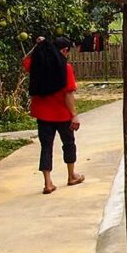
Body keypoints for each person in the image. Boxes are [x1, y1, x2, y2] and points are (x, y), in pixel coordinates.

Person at [23, 36, 83, 194]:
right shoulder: (65, 67)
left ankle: (48, 183)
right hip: (62, 114)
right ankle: (71, 175)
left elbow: (25, 59)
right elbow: (68, 94)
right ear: (64, 50)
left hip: (43, 114)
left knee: (46, 147)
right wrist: (74, 115)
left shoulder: (37, 66)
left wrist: (40, 45)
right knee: (68, 143)